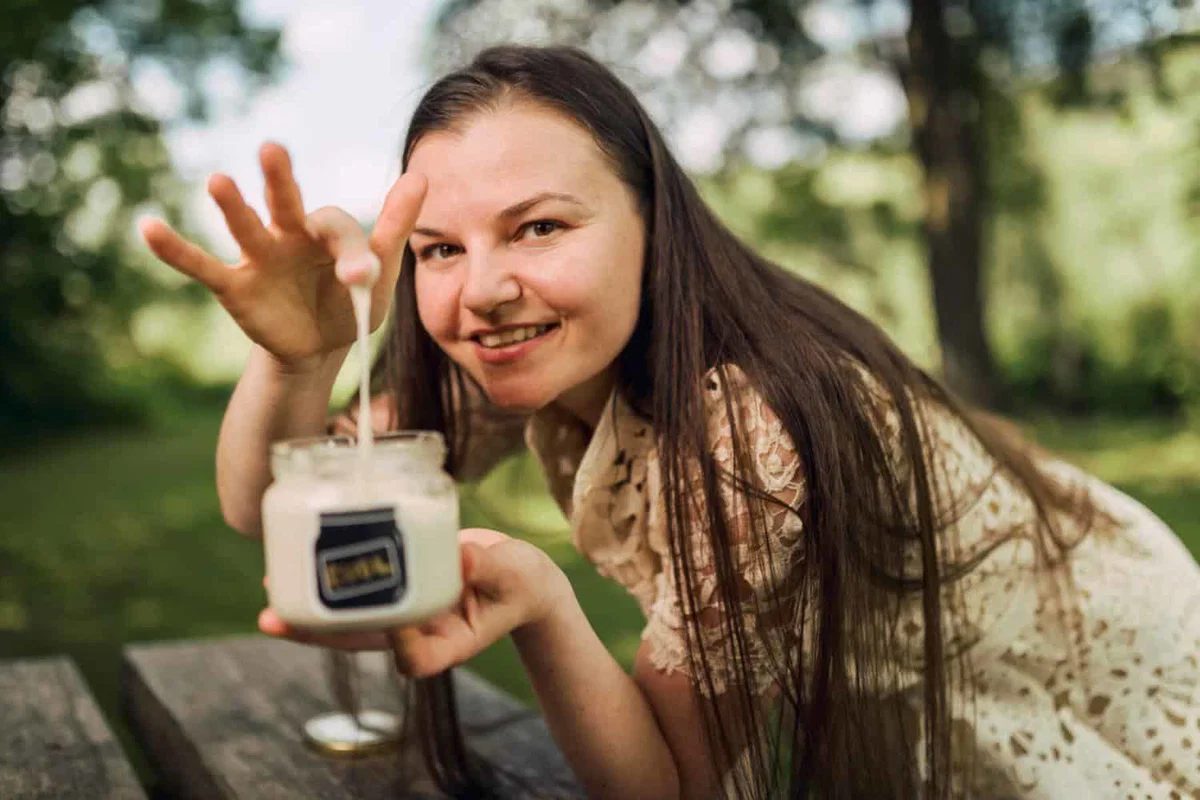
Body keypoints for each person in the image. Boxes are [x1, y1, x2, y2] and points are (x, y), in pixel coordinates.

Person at [139, 44, 1200, 800]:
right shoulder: (535, 353)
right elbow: (272, 503)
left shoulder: (754, 428)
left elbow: (675, 785)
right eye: (441, 249)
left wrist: (545, 604)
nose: (484, 289)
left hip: (1099, 705)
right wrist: (299, 352)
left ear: (656, 220)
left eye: (540, 226)